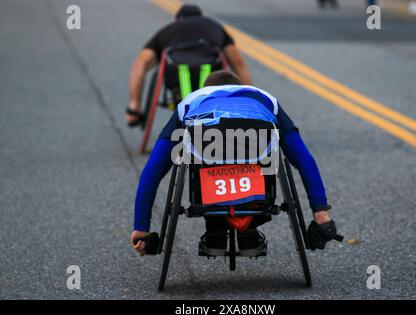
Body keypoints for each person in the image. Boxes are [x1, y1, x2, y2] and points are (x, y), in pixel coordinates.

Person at [131, 70, 341, 257]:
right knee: (264, 152)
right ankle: (249, 228)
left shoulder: (191, 100)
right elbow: (304, 159)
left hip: (207, 149)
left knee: (198, 153)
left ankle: (215, 231)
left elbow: (153, 169)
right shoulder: (266, 99)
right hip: (256, 145)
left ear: (207, 90)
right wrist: (321, 214)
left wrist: (141, 228)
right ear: (240, 86)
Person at [126, 4, 252, 126]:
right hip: (211, 76)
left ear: (178, 19)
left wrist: (134, 104)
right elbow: (239, 64)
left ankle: (134, 107)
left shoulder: (169, 30)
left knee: (148, 64)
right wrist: (250, 99)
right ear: (201, 16)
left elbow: (141, 63)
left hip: (178, 76)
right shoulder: (214, 26)